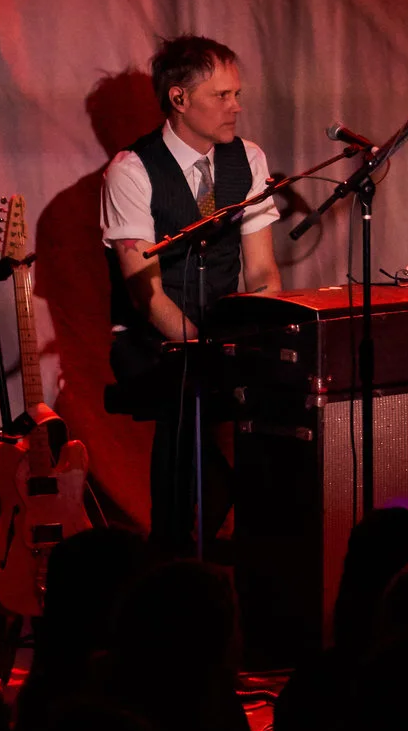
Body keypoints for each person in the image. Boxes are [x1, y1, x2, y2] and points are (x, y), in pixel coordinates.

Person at [100, 35, 283, 553]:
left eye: (237, 94)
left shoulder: (248, 159)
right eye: (222, 95)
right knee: (186, 390)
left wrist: (259, 338)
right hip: (148, 339)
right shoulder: (131, 170)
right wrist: (205, 351)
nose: (236, 106)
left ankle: (260, 538)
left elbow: (263, 272)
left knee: (287, 385)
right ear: (178, 98)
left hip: (221, 331)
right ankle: (174, 543)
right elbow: (146, 294)